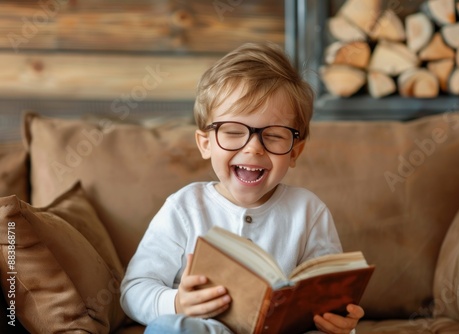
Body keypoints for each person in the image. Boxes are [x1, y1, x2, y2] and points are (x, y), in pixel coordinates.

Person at [120, 42, 364, 334]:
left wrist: (340, 323)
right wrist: (177, 303)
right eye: (234, 132)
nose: (253, 149)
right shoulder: (184, 207)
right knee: (169, 328)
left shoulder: (309, 211)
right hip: (206, 330)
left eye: (273, 136)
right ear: (206, 143)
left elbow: (325, 293)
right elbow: (133, 290)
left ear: (295, 152)